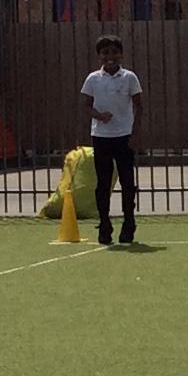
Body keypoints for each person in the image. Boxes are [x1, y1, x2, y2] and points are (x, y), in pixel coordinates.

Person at [81, 34, 142, 247]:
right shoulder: (93, 79)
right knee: (103, 182)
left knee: (127, 182)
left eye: (114, 52)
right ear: (99, 56)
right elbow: (86, 105)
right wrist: (99, 116)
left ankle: (129, 222)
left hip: (123, 136)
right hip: (101, 136)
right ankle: (104, 224)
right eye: (105, 53)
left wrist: (134, 133)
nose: (110, 57)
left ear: (121, 54)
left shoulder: (129, 77)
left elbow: (139, 105)